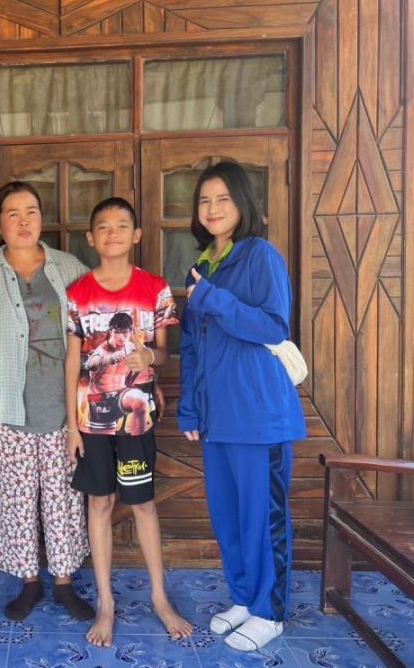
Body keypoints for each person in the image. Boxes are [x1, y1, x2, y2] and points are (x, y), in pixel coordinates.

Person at [178, 161, 306, 652]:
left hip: (259, 416)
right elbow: (191, 346)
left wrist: (213, 299)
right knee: (228, 517)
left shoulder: (260, 255)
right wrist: (189, 408)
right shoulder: (202, 265)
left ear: (243, 204)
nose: (212, 209)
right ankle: (243, 598)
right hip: (216, 419)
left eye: (223, 199)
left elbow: (274, 325)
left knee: (262, 518)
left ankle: (269, 612)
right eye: (204, 200)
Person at [0, 181, 94, 624]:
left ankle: (64, 582)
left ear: (42, 218)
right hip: (8, 411)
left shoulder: (69, 268)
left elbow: (91, 328)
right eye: (13, 214)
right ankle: (28, 581)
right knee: (16, 502)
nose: (23, 222)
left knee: (63, 501)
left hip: (62, 409)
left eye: (31, 212)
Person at [65, 197, 193, 647]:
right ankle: (106, 603)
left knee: (143, 504)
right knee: (98, 504)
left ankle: (160, 598)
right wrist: (70, 424)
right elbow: (73, 360)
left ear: (136, 235)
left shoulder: (154, 288)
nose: (113, 233)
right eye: (103, 226)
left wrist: (150, 359)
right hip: (91, 420)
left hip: (136, 420)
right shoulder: (78, 293)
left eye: (122, 225)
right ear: (91, 237)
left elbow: (165, 352)